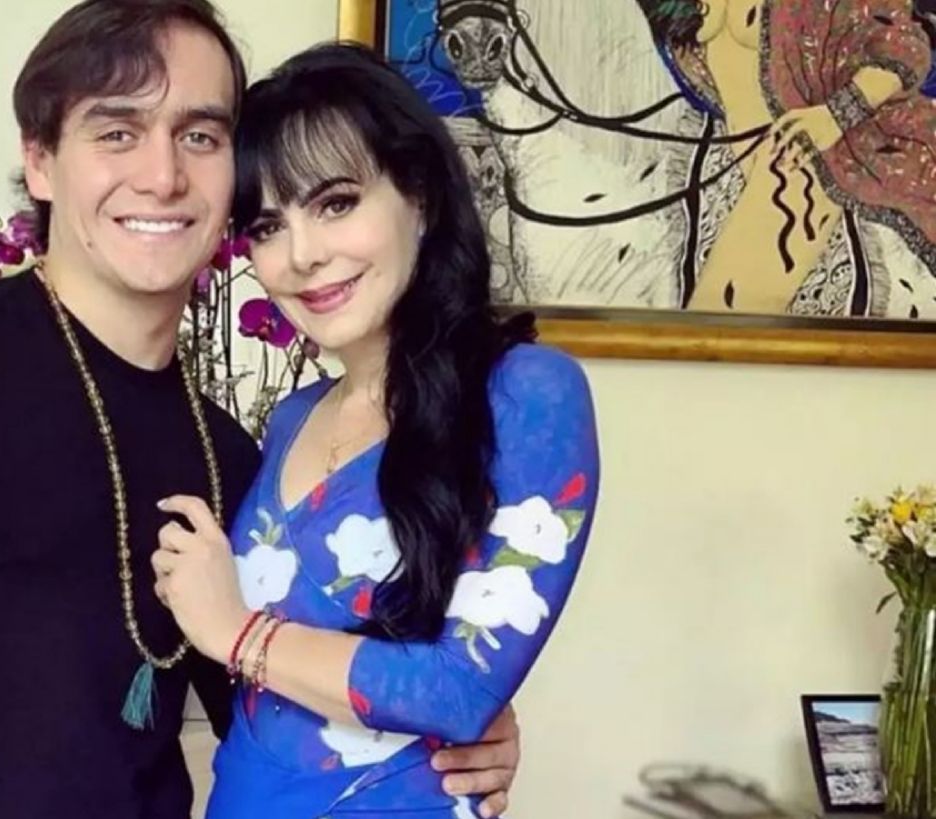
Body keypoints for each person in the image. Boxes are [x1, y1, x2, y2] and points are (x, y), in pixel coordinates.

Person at [0, 2, 522, 817]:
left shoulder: (233, 454)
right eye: (118, 131)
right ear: (39, 160)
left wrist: (441, 725)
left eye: (199, 135)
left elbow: (275, 698)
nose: (163, 176)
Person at [148, 43, 600, 817]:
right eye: (267, 225)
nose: (302, 256)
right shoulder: (292, 419)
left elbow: (459, 691)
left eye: (335, 203)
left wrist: (238, 633)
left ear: (418, 194)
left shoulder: (528, 393)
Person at [637, 0, 936, 315]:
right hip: (735, 154)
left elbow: (901, 48)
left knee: (725, 318)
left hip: (808, 154)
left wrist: (833, 116)